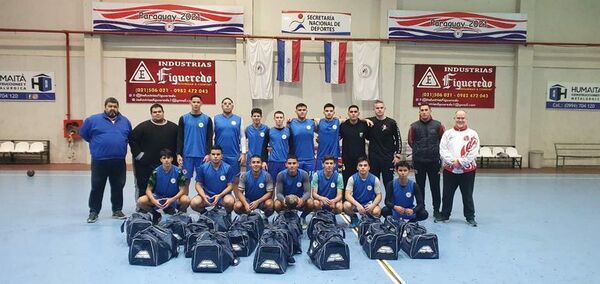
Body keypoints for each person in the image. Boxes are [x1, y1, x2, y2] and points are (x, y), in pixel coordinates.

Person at [80, 97, 132, 223]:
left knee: (118, 186)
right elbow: (84, 134)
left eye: (115, 106)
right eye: (110, 106)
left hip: (118, 161)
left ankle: (117, 210)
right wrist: (97, 145)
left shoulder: (125, 121)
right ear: (105, 107)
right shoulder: (93, 120)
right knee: (97, 186)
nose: (112, 109)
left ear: (118, 108)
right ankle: (93, 212)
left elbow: (129, 136)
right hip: (100, 161)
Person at [435, 110, 480, 227]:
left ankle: (470, 217)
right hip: (450, 170)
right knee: (447, 194)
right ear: (454, 118)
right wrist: (452, 162)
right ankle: (445, 215)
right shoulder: (447, 134)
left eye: (462, 118)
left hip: (467, 170)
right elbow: (443, 150)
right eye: (458, 118)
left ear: (466, 119)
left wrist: (460, 162)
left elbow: (473, 152)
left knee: (467, 194)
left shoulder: (473, 134)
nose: (460, 120)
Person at [129, 103, 178, 201]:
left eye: (159, 111)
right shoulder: (142, 127)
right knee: (144, 185)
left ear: (163, 113)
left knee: (167, 184)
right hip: (146, 164)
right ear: (151, 114)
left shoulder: (173, 128)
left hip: (166, 163)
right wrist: (139, 156)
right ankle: (142, 208)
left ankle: (168, 206)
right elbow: (132, 140)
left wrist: (177, 157)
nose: (157, 114)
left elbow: (179, 142)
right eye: (154, 112)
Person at [407, 103, 445, 219]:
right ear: (419, 112)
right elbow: (410, 141)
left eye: (426, 110)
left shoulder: (438, 125)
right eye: (422, 110)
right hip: (419, 161)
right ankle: (421, 209)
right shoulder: (413, 126)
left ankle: (436, 210)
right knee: (420, 187)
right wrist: (419, 151)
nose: (424, 112)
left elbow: (443, 142)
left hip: (434, 161)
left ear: (430, 111)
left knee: (435, 186)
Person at [136, 149, 191, 224]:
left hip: (173, 197)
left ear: (172, 159)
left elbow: (182, 190)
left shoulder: (178, 171)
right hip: (158, 197)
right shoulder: (156, 172)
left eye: (168, 158)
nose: (166, 160)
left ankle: (179, 216)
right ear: (161, 160)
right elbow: (148, 190)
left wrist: (171, 199)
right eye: (164, 158)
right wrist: (154, 201)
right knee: (141, 201)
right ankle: (156, 214)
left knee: (186, 200)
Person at [177, 95, 213, 189]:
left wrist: (208, 153)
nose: (196, 104)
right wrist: (179, 154)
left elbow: (209, 138)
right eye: (194, 102)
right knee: (185, 181)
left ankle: (203, 202)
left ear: (201, 103)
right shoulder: (183, 118)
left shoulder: (207, 119)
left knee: (202, 181)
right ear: (190, 103)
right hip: (187, 155)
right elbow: (180, 137)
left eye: (198, 102)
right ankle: (184, 202)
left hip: (202, 156)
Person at [190, 145, 235, 213]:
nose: (215, 156)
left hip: (223, 196)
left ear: (222, 156)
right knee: (194, 203)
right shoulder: (203, 167)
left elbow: (230, 186)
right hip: (207, 196)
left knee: (230, 201)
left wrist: (220, 195)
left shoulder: (228, 168)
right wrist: (204, 196)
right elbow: (198, 184)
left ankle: (228, 215)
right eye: (213, 154)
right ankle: (205, 214)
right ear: (210, 155)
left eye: (218, 154)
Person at [366, 100, 402, 186]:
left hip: (388, 158)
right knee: (374, 183)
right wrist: (365, 120)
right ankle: (374, 200)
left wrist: (397, 155)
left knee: (388, 183)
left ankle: (389, 200)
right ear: (374, 109)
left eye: (381, 108)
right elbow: (357, 120)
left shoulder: (391, 122)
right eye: (377, 108)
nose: (379, 110)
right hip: (374, 158)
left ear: (385, 109)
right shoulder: (370, 122)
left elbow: (398, 139)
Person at [343, 157, 383, 228]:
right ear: (357, 167)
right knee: (346, 205)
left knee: (377, 211)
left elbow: (379, 195)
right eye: (360, 165)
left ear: (369, 167)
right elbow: (347, 195)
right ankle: (354, 217)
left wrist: (373, 205)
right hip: (356, 204)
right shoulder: (352, 179)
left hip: (369, 204)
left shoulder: (375, 179)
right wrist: (357, 205)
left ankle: (369, 218)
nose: (363, 167)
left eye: (365, 165)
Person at [214, 97, 246, 178]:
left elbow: (242, 136)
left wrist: (243, 153)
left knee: (235, 179)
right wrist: (211, 153)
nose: (227, 105)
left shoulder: (239, 119)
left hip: (234, 155)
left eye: (229, 104)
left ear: (232, 106)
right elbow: (211, 137)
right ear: (222, 106)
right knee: (220, 178)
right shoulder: (215, 118)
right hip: (219, 155)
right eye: (225, 104)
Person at [339, 105, 368, 184]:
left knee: (361, 180)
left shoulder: (364, 125)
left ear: (358, 113)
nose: (353, 114)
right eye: (351, 112)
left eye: (355, 112)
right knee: (346, 179)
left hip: (360, 159)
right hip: (347, 159)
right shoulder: (343, 126)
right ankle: (346, 196)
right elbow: (336, 138)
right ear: (348, 113)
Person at [261, 111, 290, 183]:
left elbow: (292, 147)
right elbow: (264, 147)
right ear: (274, 119)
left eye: (281, 117)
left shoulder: (288, 131)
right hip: (273, 162)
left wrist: (290, 160)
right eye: (277, 117)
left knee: (285, 184)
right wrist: (264, 161)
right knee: (271, 184)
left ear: (283, 119)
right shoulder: (269, 131)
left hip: (285, 162)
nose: (279, 119)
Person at [288, 103, 317, 174]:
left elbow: (324, 132)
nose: (302, 111)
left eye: (304, 110)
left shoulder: (312, 123)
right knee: (297, 182)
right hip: (296, 159)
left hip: (310, 158)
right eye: (299, 110)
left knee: (309, 182)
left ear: (307, 111)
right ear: (296, 111)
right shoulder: (291, 123)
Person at [315, 103, 340, 171]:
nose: (329, 113)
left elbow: (351, 119)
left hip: (333, 155)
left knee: (334, 177)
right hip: (321, 155)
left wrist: (365, 120)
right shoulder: (319, 121)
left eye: (331, 111)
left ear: (334, 112)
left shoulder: (338, 121)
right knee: (320, 176)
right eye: (327, 111)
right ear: (324, 112)